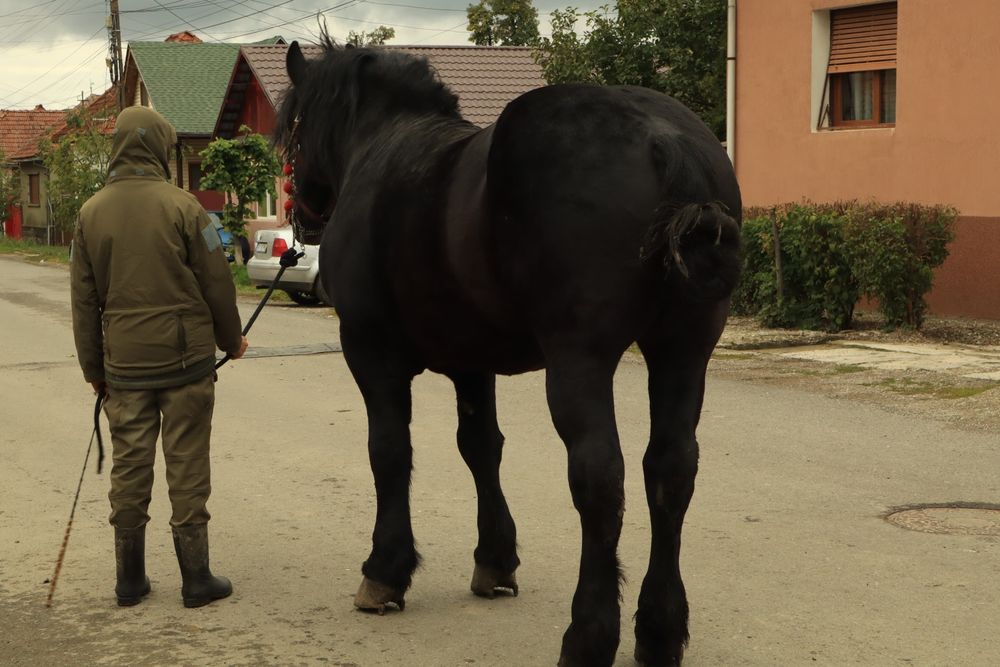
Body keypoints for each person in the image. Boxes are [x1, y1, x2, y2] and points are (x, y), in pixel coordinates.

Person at [70, 106, 248, 608]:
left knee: (130, 465)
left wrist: (93, 370)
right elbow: (217, 282)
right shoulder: (187, 208)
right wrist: (231, 341)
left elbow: (84, 303)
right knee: (187, 463)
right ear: (161, 148)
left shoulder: (89, 213)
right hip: (186, 360)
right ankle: (197, 580)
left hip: (123, 366)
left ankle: (129, 581)